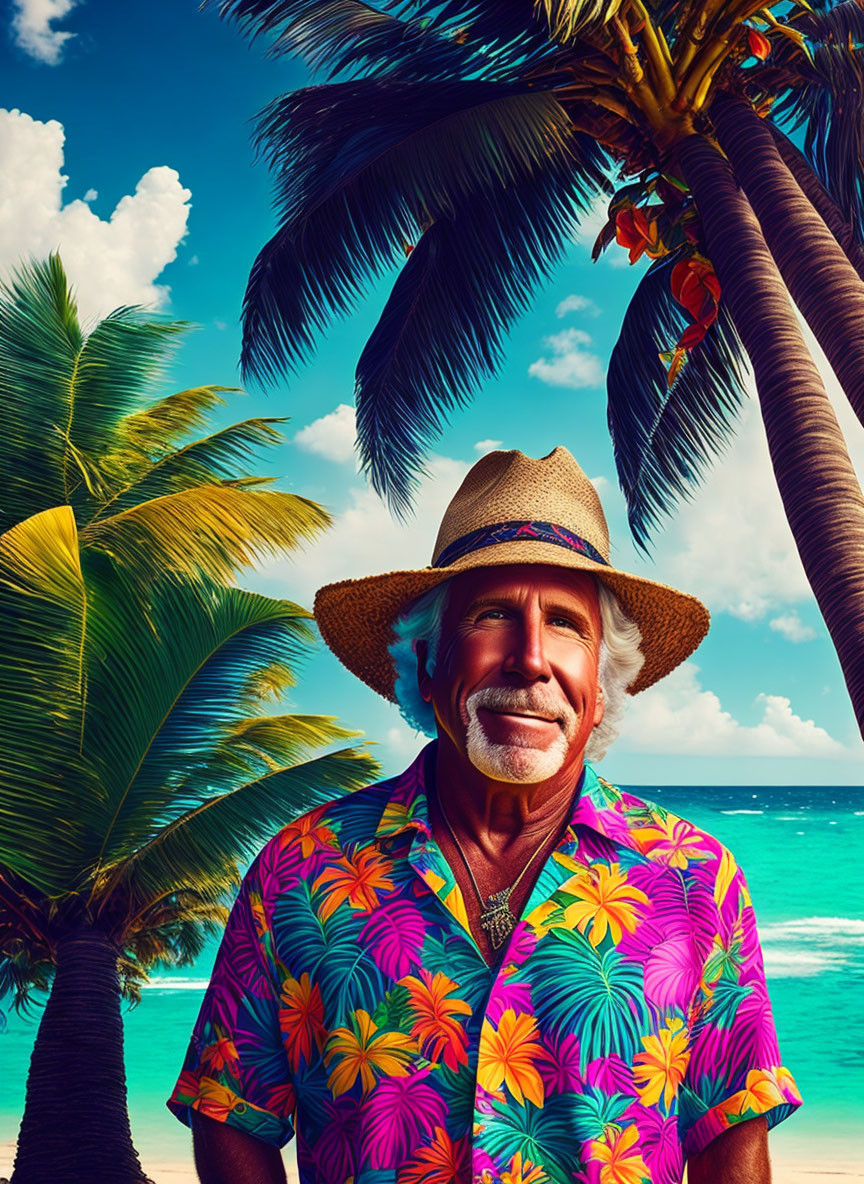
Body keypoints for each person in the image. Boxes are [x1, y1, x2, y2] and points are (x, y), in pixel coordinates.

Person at [167, 446, 802, 1184]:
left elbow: (729, 1130)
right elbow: (231, 1112)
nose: (530, 658)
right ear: (428, 662)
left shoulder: (695, 880)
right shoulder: (302, 868)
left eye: (566, 623)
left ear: (602, 681)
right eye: (494, 615)